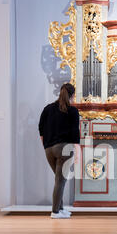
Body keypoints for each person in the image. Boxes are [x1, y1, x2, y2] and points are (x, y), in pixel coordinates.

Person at [38, 83, 80, 219]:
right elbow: (75, 132)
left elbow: (41, 129)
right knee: (60, 181)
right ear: (72, 95)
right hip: (64, 148)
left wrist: (45, 145)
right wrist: (78, 150)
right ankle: (55, 212)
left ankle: (60, 209)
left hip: (49, 149)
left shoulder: (48, 109)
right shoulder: (72, 111)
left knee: (59, 180)